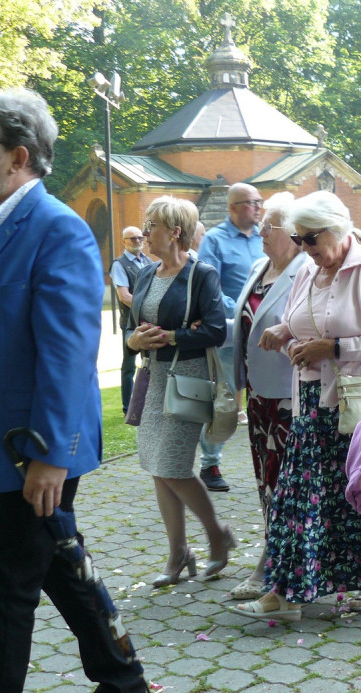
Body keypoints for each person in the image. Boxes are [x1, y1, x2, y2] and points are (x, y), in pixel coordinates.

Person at [0, 87, 150, 693]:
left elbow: (66, 351)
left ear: (16, 157)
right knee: (57, 560)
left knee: (6, 592)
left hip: (27, 449)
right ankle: (123, 684)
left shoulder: (56, 228)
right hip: (7, 444)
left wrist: (53, 456)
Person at [234, 191, 361, 620]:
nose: (304, 248)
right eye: (298, 239)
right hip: (308, 401)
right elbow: (302, 318)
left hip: (354, 406)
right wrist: (285, 331)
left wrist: (333, 347)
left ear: (336, 228)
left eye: (310, 238)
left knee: (356, 500)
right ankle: (286, 594)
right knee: (298, 499)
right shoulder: (310, 270)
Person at [126, 196, 234, 587]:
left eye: (151, 224)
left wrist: (172, 336)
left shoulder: (201, 274)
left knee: (172, 466)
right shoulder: (145, 274)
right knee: (158, 468)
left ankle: (217, 535)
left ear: (174, 232)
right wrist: (134, 342)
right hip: (152, 379)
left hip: (186, 379)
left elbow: (217, 330)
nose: (144, 231)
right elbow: (131, 326)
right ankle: (179, 553)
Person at [228, 192, 308, 600]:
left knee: (285, 483)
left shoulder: (307, 270)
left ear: (294, 234)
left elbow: (314, 324)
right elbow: (244, 321)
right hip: (259, 399)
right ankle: (276, 557)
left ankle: (274, 566)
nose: (260, 230)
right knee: (266, 482)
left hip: (291, 399)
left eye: (269, 225)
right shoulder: (260, 267)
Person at [195, 182, 265, 492]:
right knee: (222, 397)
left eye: (260, 201)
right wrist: (240, 310)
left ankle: (267, 455)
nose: (259, 207)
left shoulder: (268, 235)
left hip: (264, 330)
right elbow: (209, 285)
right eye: (252, 202)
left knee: (264, 394)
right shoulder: (215, 239)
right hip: (229, 330)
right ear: (233, 207)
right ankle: (210, 463)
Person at [109, 225, 154, 414]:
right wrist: (147, 310)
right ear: (124, 242)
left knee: (151, 364)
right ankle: (128, 406)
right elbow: (124, 297)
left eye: (139, 238)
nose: (137, 241)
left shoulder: (149, 261)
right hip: (131, 323)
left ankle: (148, 403)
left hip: (149, 321)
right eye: (132, 239)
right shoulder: (119, 264)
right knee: (128, 366)